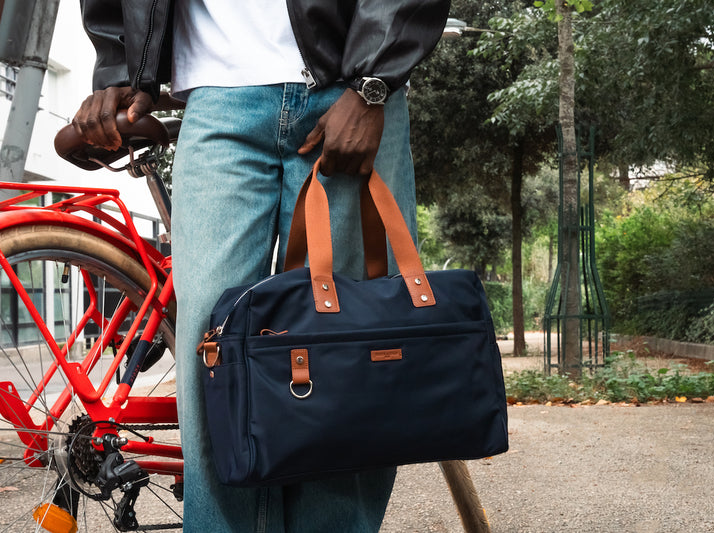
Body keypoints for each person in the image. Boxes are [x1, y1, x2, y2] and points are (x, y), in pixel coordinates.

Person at [71, 1, 450, 531]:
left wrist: (374, 80)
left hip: (347, 88)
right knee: (213, 358)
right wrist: (120, 65)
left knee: (353, 355)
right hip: (216, 97)